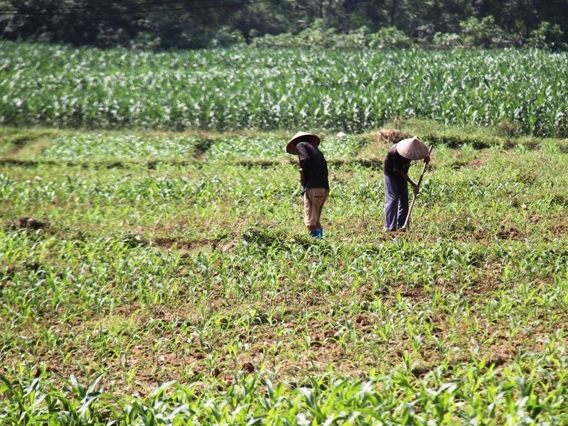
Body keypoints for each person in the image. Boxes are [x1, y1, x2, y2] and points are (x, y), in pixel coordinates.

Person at [286, 131, 329, 239]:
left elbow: (305, 159)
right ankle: (320, 240)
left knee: (310, 222)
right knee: (316, 220)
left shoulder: (301, 144)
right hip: (324, 189)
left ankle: (315, 244)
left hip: (313, 188)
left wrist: (303, 174)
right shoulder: (318, 152)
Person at [383, 136, 430, 231]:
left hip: (402, 174)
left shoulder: (411, 148)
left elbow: (421, 151)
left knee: (404, 199)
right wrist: (414, 184)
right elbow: (400, 171)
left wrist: (426, 156)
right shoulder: (395, 152)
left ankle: (402, 225)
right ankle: (390, 226)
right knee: (393, 198)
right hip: (391, 174)